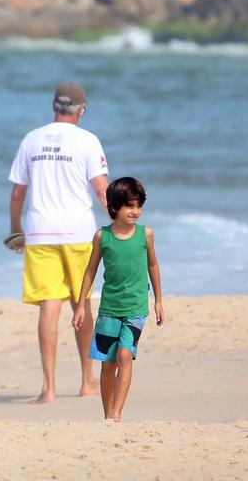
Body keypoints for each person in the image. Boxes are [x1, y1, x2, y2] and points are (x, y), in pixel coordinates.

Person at [8, 82, 109, 404]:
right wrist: (120, 223)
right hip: (78, 233)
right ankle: (87, 380)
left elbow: (17, 192)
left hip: (40, 232)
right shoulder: (88, 140)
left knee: (48, 308)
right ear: (81, 110)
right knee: (82, 304)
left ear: (54, 107)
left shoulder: (31, 139)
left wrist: (15, 228)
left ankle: (48, 389)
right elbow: (102, 191)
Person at [72, 177, 165, 423]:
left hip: (136, 307)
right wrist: (81, 305)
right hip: (109, 309)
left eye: (138, 206)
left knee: (125, 354)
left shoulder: (146, 234)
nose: (135, 211)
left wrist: (157, 301)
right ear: (114, 208)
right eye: (129, 206)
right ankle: (106, 414)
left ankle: (116, 414)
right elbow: (90, 270)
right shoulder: (102, 236)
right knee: (107, 363)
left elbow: (153, 266)